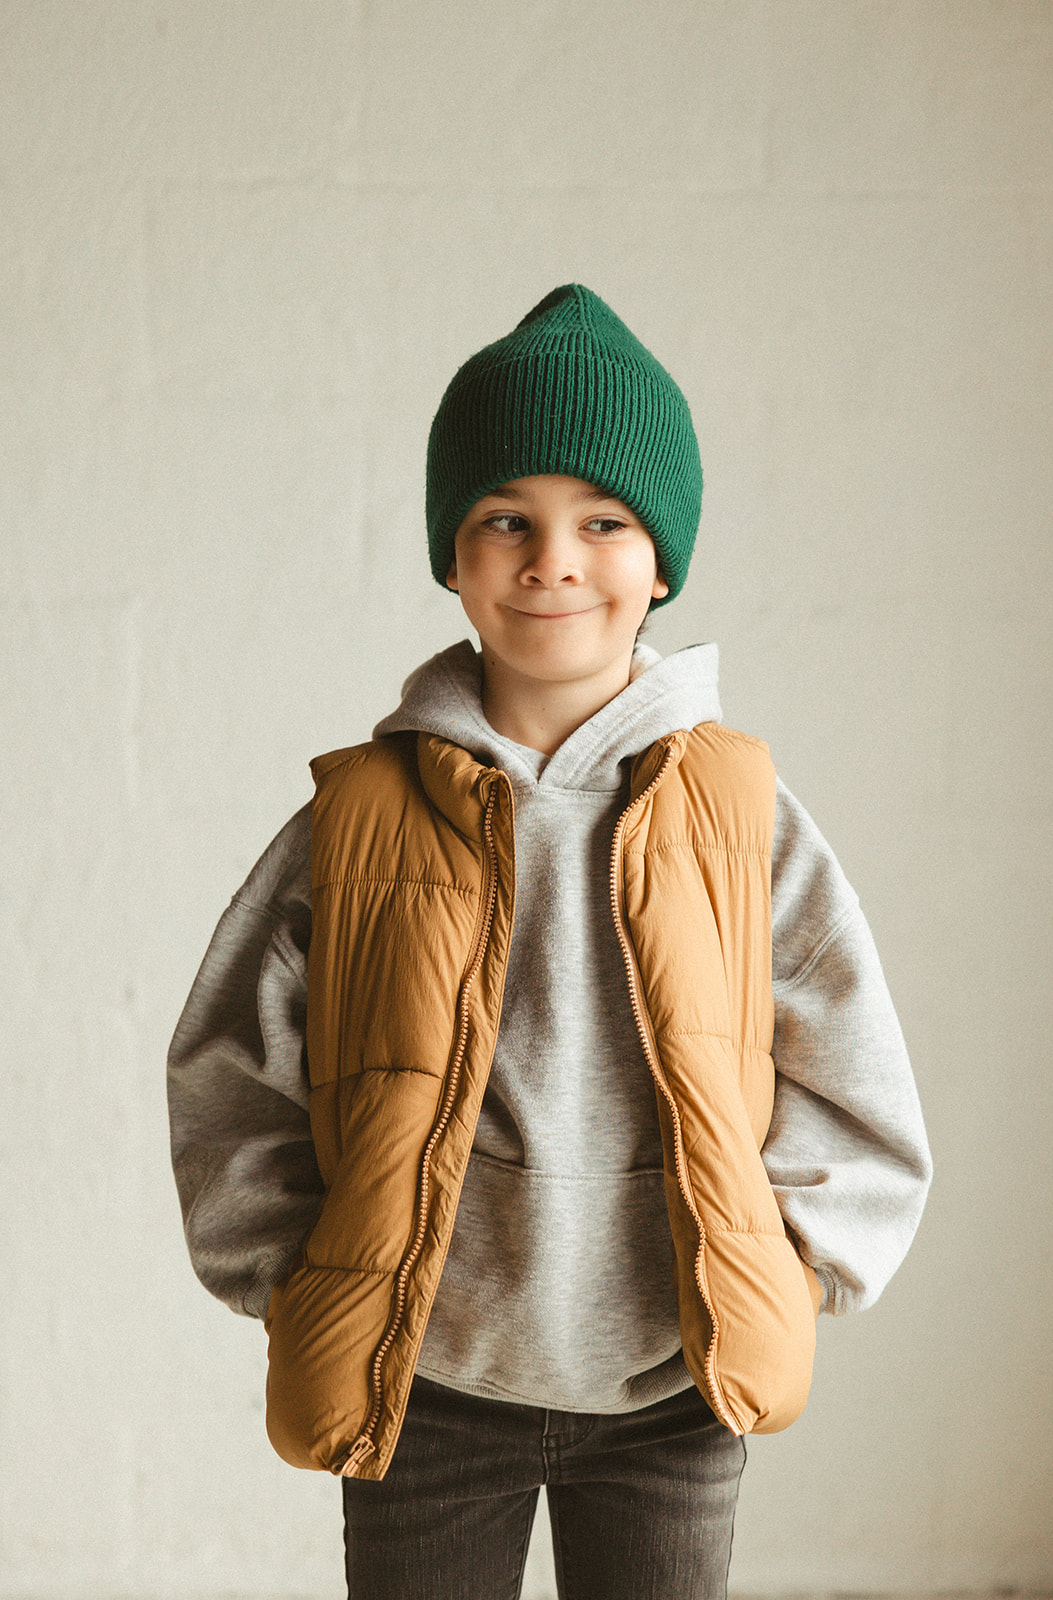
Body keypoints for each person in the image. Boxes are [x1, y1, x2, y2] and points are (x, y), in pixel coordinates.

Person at [168, 284, 932, 1600]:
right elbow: (230, 1062)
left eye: (604, 522)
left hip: (672, 1393)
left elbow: (852, 1059)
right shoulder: (361, 818)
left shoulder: (741, 813)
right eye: (505, 519)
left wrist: (790, 1269)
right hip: (425, 1384)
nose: (553, 560)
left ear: (661, 561)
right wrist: (292, 1273)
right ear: (453, 558)